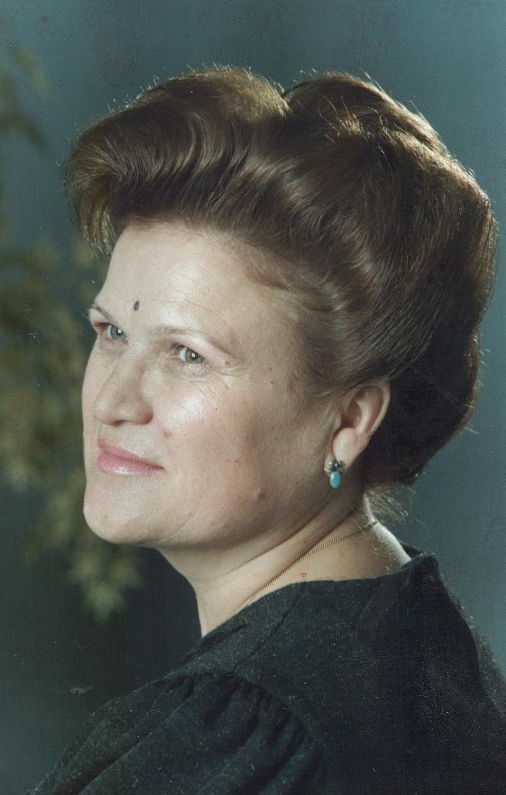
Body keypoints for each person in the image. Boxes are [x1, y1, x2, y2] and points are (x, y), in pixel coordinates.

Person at [29, 66, 506, 793]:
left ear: (349, 420)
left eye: (188, 355)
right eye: (112, 332)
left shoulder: (237, 731)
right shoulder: (432, 644)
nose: (113, 402)